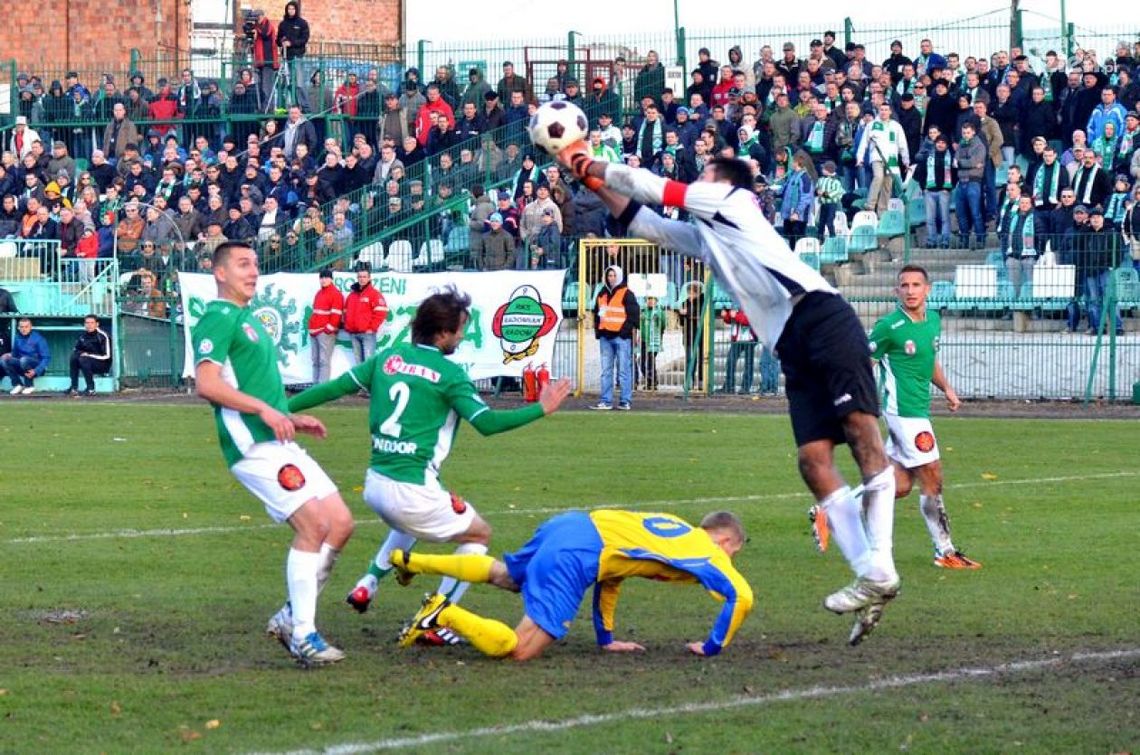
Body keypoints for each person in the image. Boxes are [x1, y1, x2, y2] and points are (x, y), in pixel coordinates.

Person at [559, 149, 901, 645]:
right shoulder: (709, 232)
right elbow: (646, 222)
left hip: (822, 317)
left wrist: (595, 165)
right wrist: (595, 186)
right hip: (789, 341)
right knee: (812, 460)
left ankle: (882, 564)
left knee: (863, 435)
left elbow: (654, 189)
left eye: (702, 173)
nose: (697, 179)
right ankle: (869, 572)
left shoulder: (731, 198)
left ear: (719, 180)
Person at [286, 288, 572, 645]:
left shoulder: (387, 358)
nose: (462, 337)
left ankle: (369, 582)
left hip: (376, 484)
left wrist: (283, 409)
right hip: (411, 490)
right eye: (460, 330)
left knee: (413, 519)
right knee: (478, 533)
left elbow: (333, 388)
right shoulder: (450, 375)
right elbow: (487, 424)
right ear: (442, 333)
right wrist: (540, 409)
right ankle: (437, 619)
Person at [192, 241, 354, 666]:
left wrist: (288, 415)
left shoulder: (247, 319)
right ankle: (304, 634)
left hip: (277, 439)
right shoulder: (217, 317)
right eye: (243, 264)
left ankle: (289, 617)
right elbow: (207, 384)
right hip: (252, 446)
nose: (253, 271)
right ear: (220, 273)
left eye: (256, 264)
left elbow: (257, 386)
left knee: (340, 524)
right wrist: (264, 410)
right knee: (314, 524)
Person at [389, 509, 752, 661]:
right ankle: (444, 613)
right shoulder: (708, 551)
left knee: (507, 576)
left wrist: (607, 639)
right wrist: (712, 646)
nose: (730, 559)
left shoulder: (675, 526)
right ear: (725, 542)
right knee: (520, 650)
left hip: (570, 524)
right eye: (733, 552)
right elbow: (741, 597)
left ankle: (409, 561)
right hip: (578, 552)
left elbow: (612, 579)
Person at [868, 266, 980, 570]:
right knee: (932, 472)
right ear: (896, 292)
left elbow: (928, 362)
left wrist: (947, 389)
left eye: (916, 284)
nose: (910, 290)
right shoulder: (889, 326)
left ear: (927, 289)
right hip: (904, 412)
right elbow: (865, 364)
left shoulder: (933, 321)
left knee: (900, 485)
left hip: (918, 409)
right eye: (904, 285)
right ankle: (944, 550)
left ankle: (832, 509)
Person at [592, 264, 640, 411]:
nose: (611, 278)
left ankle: (625, 401)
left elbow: (634, 315)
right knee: (606, 371)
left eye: (613, 275)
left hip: (621, 337)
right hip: (606, 336)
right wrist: (599, 332)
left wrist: (624, 331)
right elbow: (596, 313)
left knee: (624, 370)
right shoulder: (601, 293)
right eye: (609, 275)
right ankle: (606, 400)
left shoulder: (627, 293)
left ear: (618, 276)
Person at [343, 262, 389, 364]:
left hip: (367, 334)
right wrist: (348, 327)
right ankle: (360, 381)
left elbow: (381, 312)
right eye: (360, 277)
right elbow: (345, 313)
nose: (362, 279)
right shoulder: (351, 296)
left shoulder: (374, 294)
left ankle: (369, 381)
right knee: (358, 364)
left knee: (368, 363)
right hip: (354, 334)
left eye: (364, 277)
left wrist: (371, 328)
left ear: (369, 278)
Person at [307, 268, 343, 383]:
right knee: (315, 360)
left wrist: (329, 328)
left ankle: (322, 387)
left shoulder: (336, 294)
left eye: (326, 278)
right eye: (321, 278)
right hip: (315, 331)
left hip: (324, 332)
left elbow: (336, 313)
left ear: (331, 279)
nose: (323, 280)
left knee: (323, 360)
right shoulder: (319, 293)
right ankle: (315, 386)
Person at [2, 317, 50, 395]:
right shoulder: (17, 337)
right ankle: (18, 384)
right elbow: (15, 354)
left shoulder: (38, 338)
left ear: (30, 327)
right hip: (22, 364)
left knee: (24, 360)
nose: (24, 329)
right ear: (18, 328)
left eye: (26, 327)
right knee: (4, 360)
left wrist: (36, 370)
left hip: (37, 368)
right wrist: (9, 355)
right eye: (21, 327)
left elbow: (46, 358)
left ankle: (29, 385)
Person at [68, 314, 111, 396]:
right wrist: (82, 354)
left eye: (92, 323)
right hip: (87, 361)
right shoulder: (83, 336)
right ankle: (74, 388)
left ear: (97, 324)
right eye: (87, 323)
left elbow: (107, 356)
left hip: (102, 363)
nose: (89, 325)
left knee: (84, 359)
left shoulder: (103, 336)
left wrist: (89, 355)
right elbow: (76, 349)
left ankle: (91, 389)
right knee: (74, 357)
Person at [638, 294, 665, 391]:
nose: (650, 301)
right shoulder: (643, 311)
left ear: (656, 301)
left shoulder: (659, 311)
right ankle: (650, 379)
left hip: (654, 340)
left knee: (650, 361)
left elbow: (663, 325)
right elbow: (639, 326)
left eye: (652, 299)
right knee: (641, 362)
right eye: (648, 299)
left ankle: (652, 382)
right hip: (644, 340)